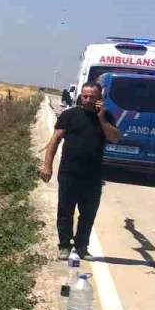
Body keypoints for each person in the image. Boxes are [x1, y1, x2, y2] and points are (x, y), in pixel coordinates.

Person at [40, 81, 121, 260]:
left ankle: (81, 247)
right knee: (65, 211)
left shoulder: (106, 116)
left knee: (88, 213)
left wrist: (101, 119)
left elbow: (114, 138)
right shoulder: (70, 115)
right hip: (69, 172)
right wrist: (47, 165)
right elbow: (54, 140)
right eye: (85, 96)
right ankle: (64, 246)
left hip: (93, 174)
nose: (88, 99)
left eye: (92, 96)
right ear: (80, 95)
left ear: (99, 98)